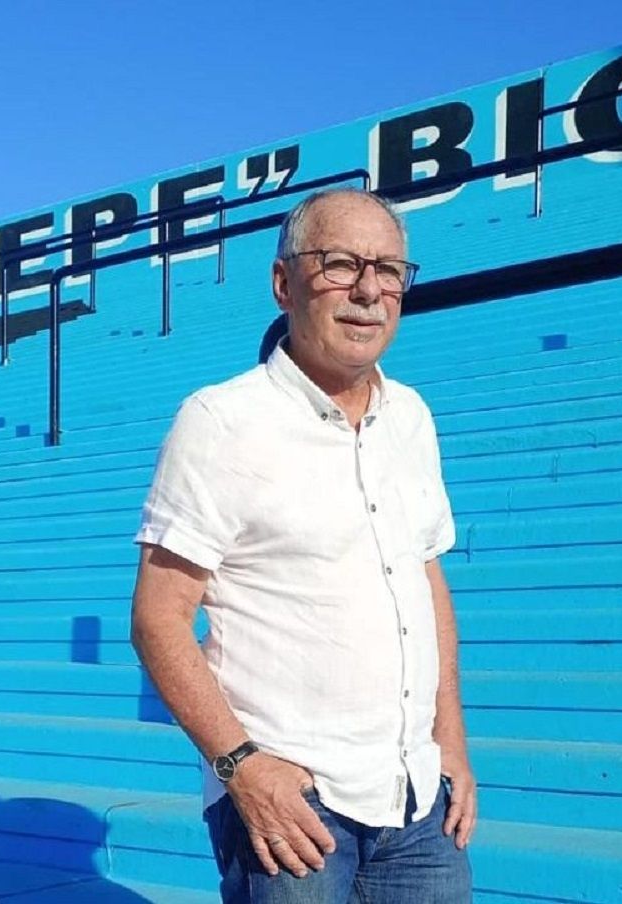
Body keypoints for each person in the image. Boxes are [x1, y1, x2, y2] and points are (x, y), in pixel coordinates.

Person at [131, 187, 475, 903]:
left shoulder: (411, 418)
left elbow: (425, 585)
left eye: (388, 269)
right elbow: (159, 617)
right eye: (340, 264)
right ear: (284, 284)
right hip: (293, 801)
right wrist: (241, 767)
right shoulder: (221, 422)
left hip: (416, 797)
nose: (368, 291)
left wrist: (451, 744)